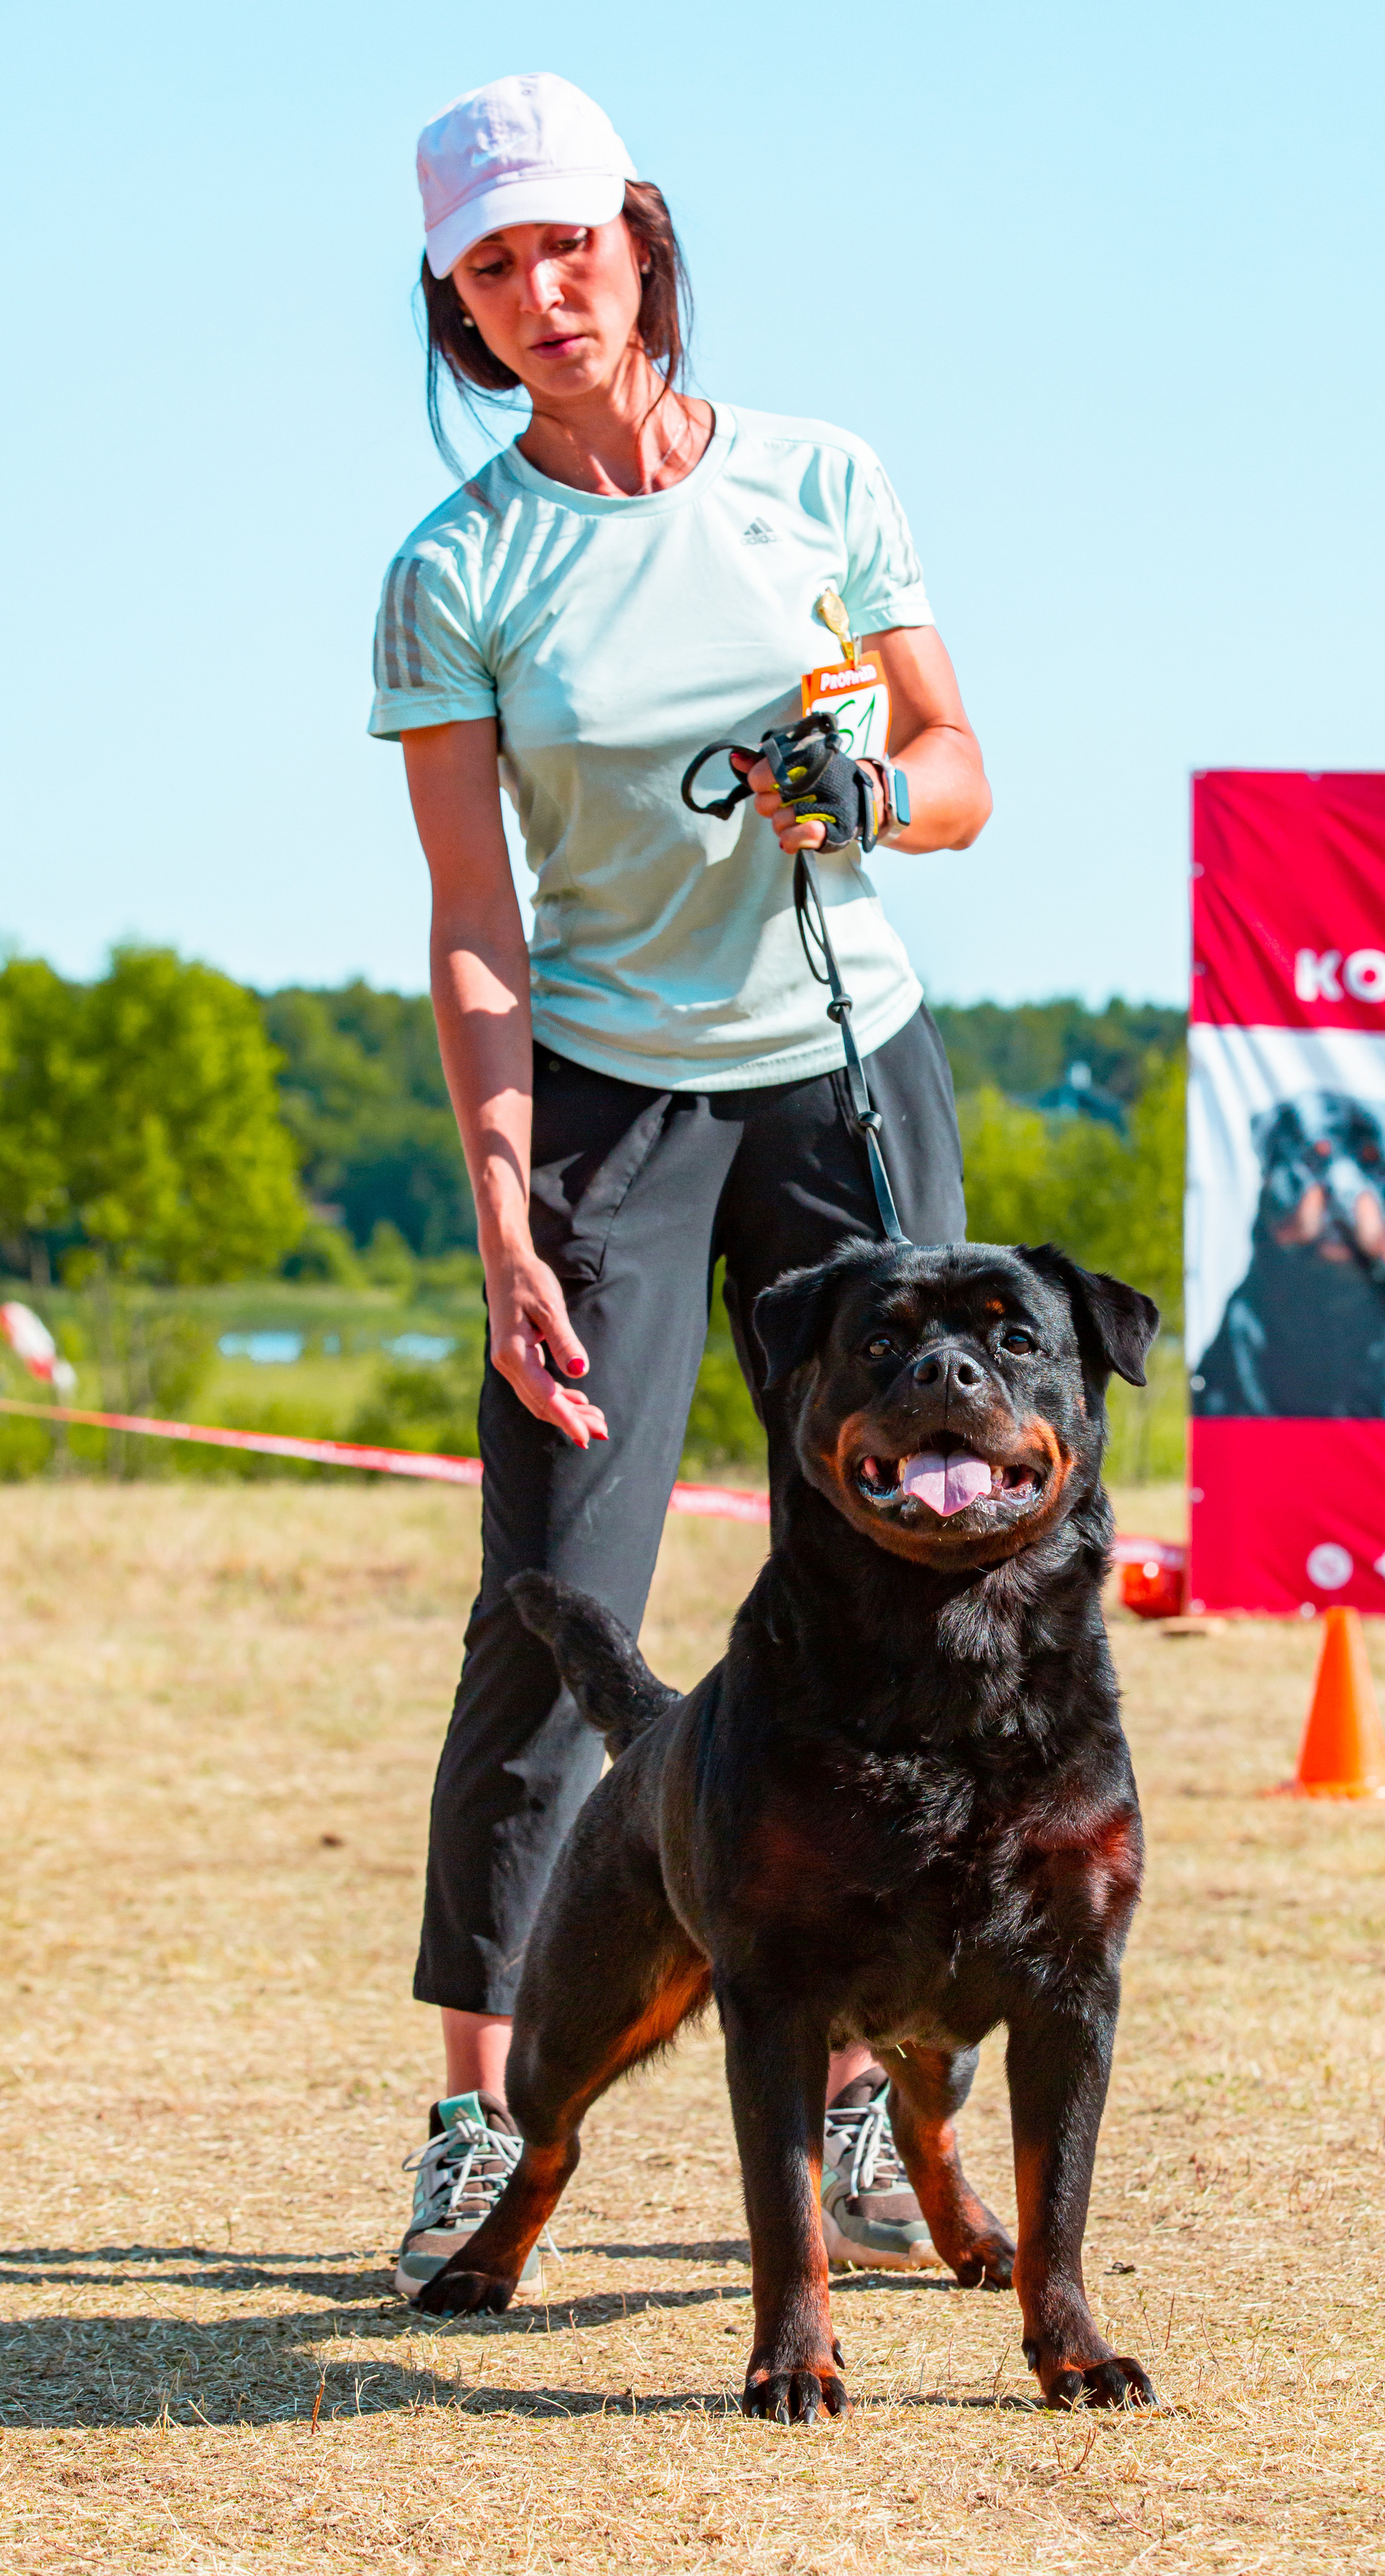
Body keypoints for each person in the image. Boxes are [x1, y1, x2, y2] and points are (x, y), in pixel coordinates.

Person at [370, 72, 992, 2300]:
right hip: (609, 1108)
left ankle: (874, 2097)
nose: (542, 292)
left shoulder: (823, 478)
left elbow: (963, 766)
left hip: (844, 1074)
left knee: (905, 1588)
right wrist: (503, 1206)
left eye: (568, 244)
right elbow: (477, 921)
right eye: (491, 267)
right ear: (458, 303)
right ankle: (478, 2116)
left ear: (637, 240)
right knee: (553, 1595)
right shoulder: (455, 570)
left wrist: (872, 800)